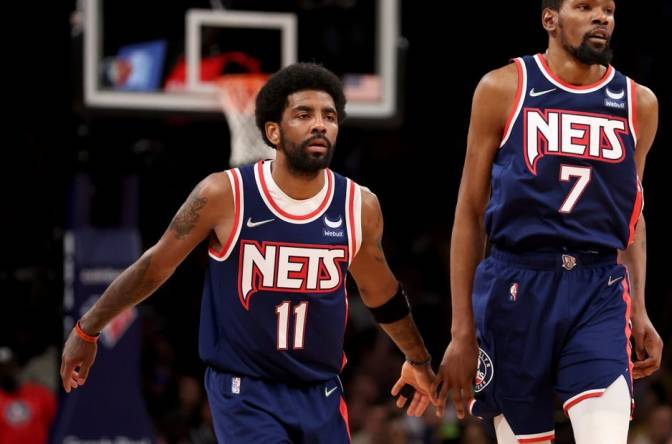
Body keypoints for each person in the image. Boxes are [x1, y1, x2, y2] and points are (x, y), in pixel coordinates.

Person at [60, 62, 436, 443]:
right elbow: (156, 265)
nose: (320, 124)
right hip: (246, 393)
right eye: (304, 115)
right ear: (273, 132)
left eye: (330, 116)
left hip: (320, 392)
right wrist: (87, 329)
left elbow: (383, 294)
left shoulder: (359, 206)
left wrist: (418, 360)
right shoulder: (224, 195)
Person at [433, 1, 663, 443]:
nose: (603, 18)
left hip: (598, 287)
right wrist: (462, 329)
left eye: (609, 9)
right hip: (515, 285)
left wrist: (641, 309)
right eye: (585, 7)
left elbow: (632, 215)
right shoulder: (503, 88)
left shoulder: (639, 103)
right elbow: (469, 212)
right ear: (550, 20)